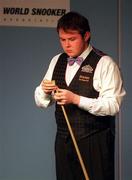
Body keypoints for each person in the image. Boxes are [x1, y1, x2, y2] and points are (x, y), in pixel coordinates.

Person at [34, 11, 126, 180]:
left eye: (72, 39)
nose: (66, 45)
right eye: (62, 40)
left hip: (94, 142)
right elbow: (41, 100)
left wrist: (75, 99)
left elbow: (113, 105)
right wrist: (45, 92)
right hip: (63, 140)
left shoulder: (105, 63)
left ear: (86, 35)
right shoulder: (57, 60)